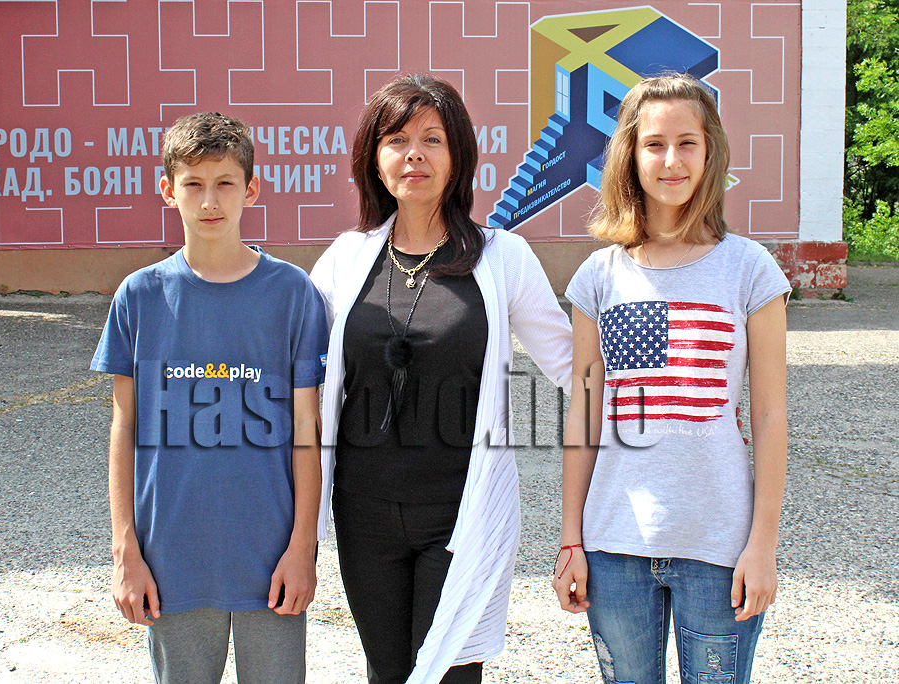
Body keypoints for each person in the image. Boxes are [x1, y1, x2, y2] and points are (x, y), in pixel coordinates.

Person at [309, 73, 574, 684]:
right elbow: (297, 368)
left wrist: (673, 400)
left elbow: (573, 366)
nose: (415, 155)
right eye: (397, 140)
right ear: (374, 158)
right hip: (363, 510)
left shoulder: (501, 256)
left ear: (458, 158)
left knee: (451, 672)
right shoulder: (346, 258)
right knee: (387, 671)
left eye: (433, 139)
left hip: (460, 513)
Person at [553, 74, 790, 684]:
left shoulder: (750, 269)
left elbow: (769, 416)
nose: (671, 161)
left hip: (720, 547)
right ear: (630, 156)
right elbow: (584, 415)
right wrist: (571, 539)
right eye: (654, 144)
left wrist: (762, 545)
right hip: (614, 548)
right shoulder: (598, 277)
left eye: (687, 143)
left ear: (710, 151)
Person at [90, 112, 329, 684]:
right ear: (167, 190)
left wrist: (304, 546)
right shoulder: (140, 295)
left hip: (269, 556)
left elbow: (307, 429)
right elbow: (124, 428)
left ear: (252, 189)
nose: (209, 200)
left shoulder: (292, 293)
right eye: (193, 184)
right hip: (171, 555)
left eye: (224, 183)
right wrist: (125, 550)